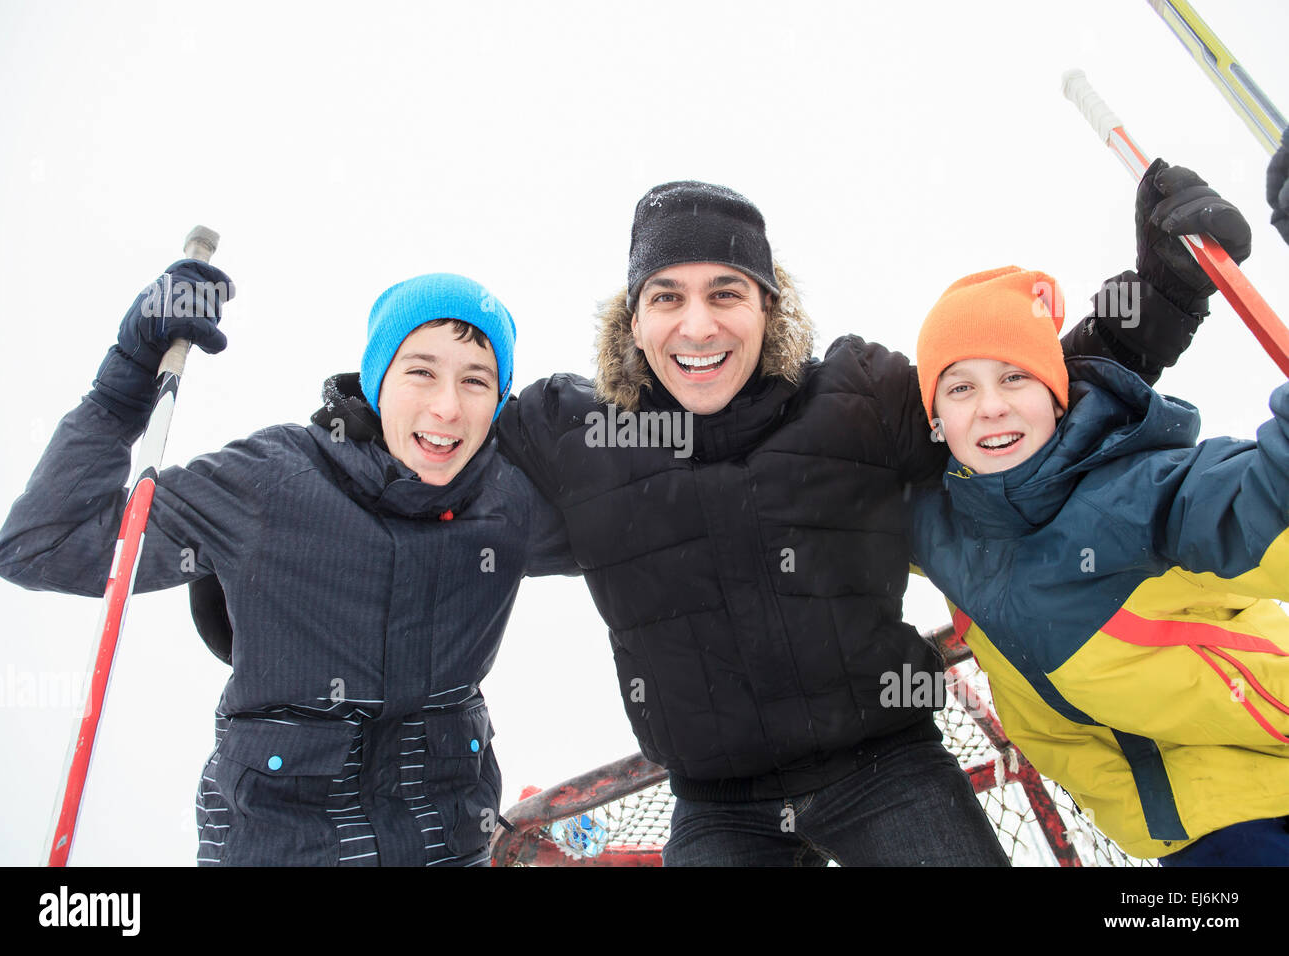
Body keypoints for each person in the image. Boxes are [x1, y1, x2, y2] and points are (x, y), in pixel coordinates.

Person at [492, 163, 1252, 865]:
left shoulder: (856, 404)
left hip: (883, 765)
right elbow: (435, 454)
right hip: (717, 803)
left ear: (768, 305)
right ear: (632, 320)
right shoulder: (578, 437)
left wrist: (1164, 291)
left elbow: (1013, 406)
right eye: (667, 297)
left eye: (726, 292)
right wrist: (370, 414)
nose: (697, 327)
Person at [0, 265, 575, 866]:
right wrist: (126, 382)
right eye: (421, 372)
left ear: (499, 400)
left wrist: (611, 423)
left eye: (476, 381)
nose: (447, 407)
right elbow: (46, 546)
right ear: (378, 379)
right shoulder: (269, 484)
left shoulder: (507, 504)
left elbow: (658, 537)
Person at [910, 265, 1289, 865]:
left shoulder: (1139, 491)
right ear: (934, 421)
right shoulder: (937, 530)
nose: (991, 407)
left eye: (1015, 377)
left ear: (1056, 396)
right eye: (959, 389)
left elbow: (1259, 503)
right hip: (1186, 823)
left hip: (1267, 765)